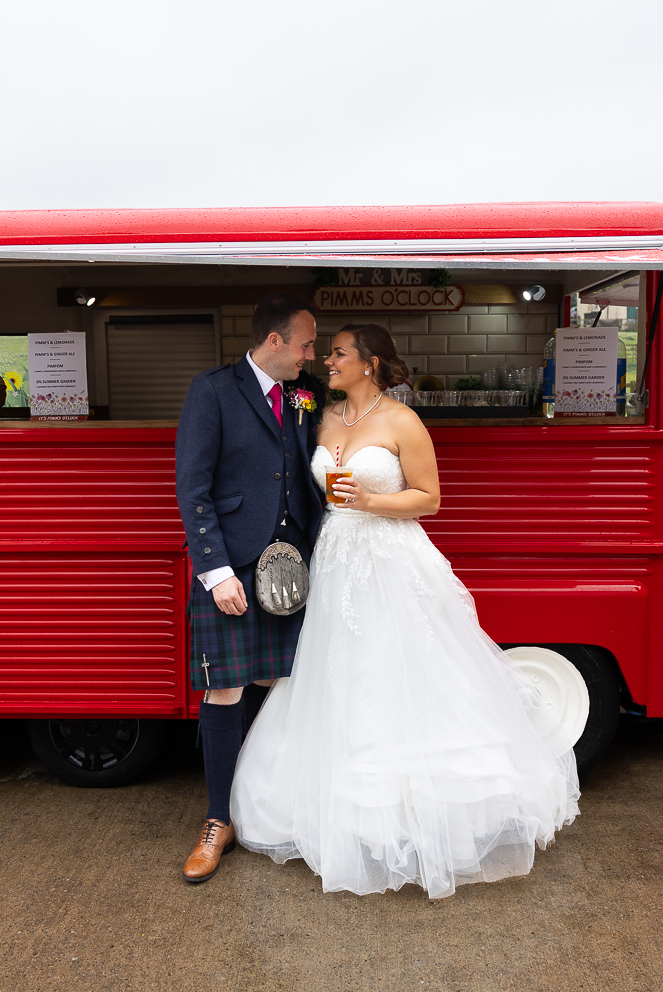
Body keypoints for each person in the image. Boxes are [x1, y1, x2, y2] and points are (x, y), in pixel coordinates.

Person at [229, 323, 581, 899]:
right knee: (342, 672)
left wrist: (369, 499)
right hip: (337, 558)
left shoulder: (401, 421)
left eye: (338, 353)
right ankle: (342, 813)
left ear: (368, 363)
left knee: (404, 672)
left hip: (392, 557)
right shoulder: (319, 416)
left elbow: (430, 497)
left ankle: (416, 817)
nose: (327, 360)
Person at [174, 292, 327, 883]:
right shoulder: (212, 391)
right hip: (234, 566)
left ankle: (271, 806)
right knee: (225, 691)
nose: (310, 354)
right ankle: (218, 820)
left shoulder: (304, 391)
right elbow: (194, 488)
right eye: (305, 344)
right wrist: (213, 574)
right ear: (274, 342)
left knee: (285, 688)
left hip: (296, 565)